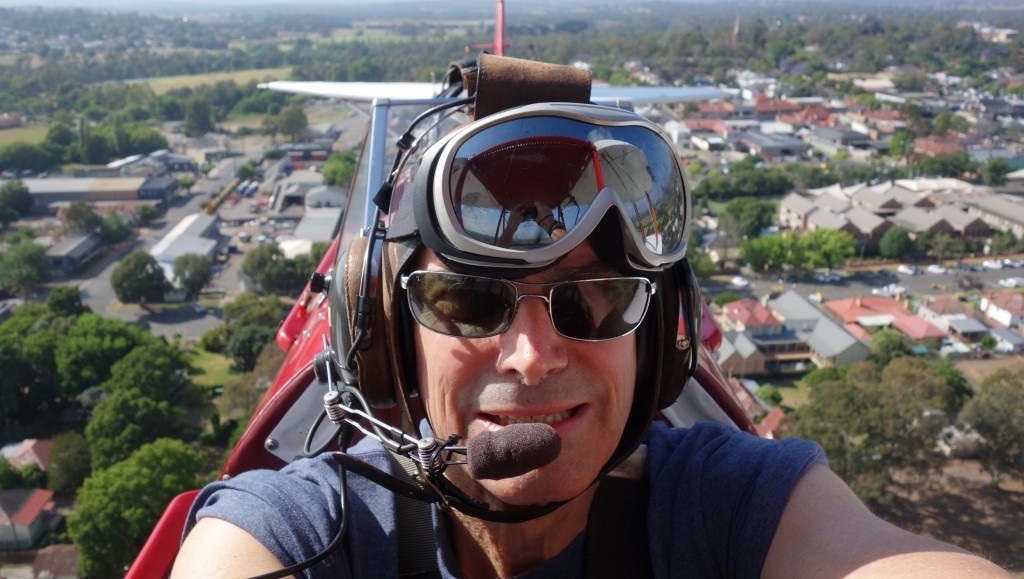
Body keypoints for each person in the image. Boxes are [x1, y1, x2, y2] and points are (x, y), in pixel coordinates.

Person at [172, 55, 1010, 579]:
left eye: (594, 299)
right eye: (469, 301)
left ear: (656, 340)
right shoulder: (301, 528)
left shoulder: (734, 505)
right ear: (391, 339)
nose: (532, 356)